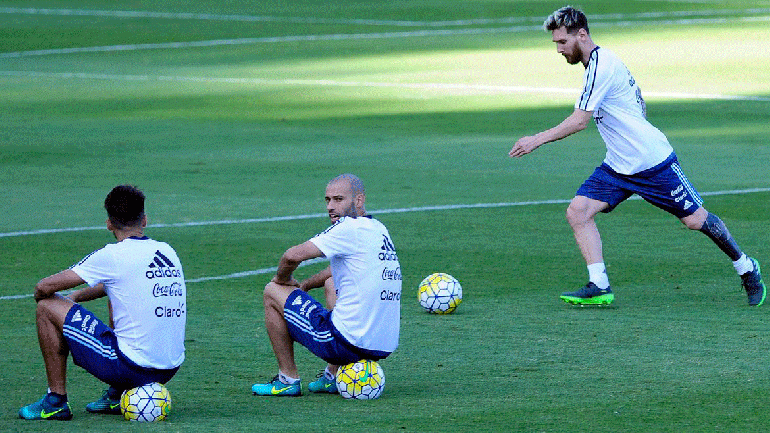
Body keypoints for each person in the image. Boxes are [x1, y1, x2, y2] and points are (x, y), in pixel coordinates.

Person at [509, 6, 765, 306]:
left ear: (581, 35)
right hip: (619, 165)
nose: (559, 49)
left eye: (562, 42)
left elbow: (580, 121)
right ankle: (599, 285)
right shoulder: (603, 62)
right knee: (578, 212)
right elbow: (638, 96)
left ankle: (746, 267)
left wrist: (536, 140)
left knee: (696, 221)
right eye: (556, 44)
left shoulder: (600, 66)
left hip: (653, 163)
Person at [19, 185, 187, 420]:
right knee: (119, 297)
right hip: (169, 368)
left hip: (133, 368)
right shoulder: (167, 251)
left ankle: (55, 401)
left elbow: (44, 287)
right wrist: (76, 297)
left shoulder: (111, 256)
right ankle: (115, 395)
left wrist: (50, 299)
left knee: (46, 306)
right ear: (145, 220)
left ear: (109, 223)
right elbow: (120, 282)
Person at [252, 173, 401, 396]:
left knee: (272, 292)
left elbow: (291, 257)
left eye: (339, 200)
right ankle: (332, 377)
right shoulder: (378, 229)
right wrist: (306, 285)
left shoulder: (348, 228)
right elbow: (339, 270)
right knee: (332, 283)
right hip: (381, 344)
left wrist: (283, 281)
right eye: (328, 200)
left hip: (346, 343)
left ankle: (287, 380)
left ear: (358, 200)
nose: (331, 206)